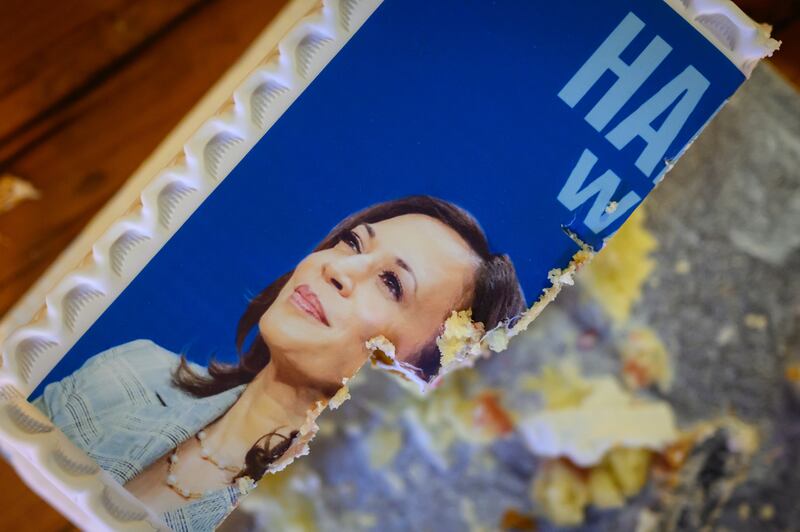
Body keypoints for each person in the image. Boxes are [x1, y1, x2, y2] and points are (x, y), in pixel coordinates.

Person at [34, 195, 525, 531]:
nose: (337, 267)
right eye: (353, 242)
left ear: (418, 378)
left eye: (391, 283)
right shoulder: (127, 373)